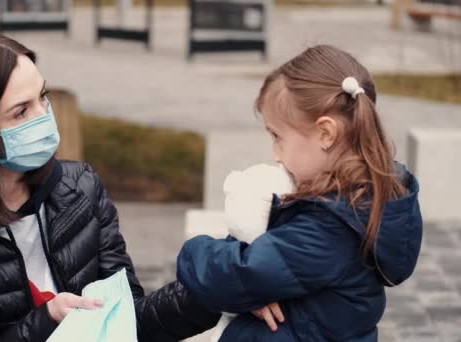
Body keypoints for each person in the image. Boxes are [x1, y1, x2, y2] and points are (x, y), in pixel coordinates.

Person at [0, 31, 219, 341]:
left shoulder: (80, 187)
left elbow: (126, 321)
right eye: (21, 112)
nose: (44, 116)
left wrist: (224, 287)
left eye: (42, 96)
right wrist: (46, 323)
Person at [176, 45, 423, 341]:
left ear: (326, 134)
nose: (275, 154)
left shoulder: (328, 226)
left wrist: (194, 251)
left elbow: (235, 275)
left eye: (278, 137)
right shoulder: (356, 203)